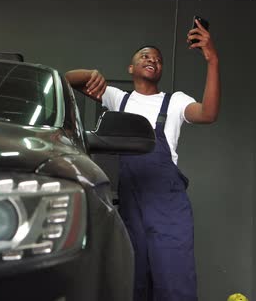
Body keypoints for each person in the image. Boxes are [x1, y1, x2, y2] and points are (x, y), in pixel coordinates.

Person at [65, 19, 220, 301]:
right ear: (131, 68)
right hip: (132, 201)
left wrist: (212, 59)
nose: (152, 60)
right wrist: (91, 73)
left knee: (174, 281)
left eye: (158, 59)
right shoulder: (118, 100)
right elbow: (66, 81)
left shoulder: (174, 102)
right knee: (134, 280)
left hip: (167, 202)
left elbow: (208, 113)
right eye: (145, 56)